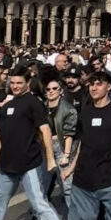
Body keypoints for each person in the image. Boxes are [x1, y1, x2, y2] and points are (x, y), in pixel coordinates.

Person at [0, 68, 62, 220]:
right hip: (6, 166)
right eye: (12, 82)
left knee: (39, 204)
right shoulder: (7, 105)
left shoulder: (34, 103)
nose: (15, 86)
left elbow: (45, 130)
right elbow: (1, 135)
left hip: (29, 164)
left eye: (19, 83)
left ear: (28, 83)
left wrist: (50, 158)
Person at [66, 71, 111, 220]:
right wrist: (72, 167)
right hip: (83, 179)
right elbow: (83, 141)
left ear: (109, 87)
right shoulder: (85, 111)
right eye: (91, 84)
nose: (94, 88)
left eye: (99, 84)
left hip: (110, 179)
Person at [43, 77, 78, 209]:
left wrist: (66, 155)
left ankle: (74, 217)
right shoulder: (42, 107)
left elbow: (68, 134)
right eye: (48, 89)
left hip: (61, 146)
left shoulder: (68, 109)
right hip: (45, 147)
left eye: (54, 89)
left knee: (67, 184)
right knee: (42, 184)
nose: (51, 91)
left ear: (60, 91)